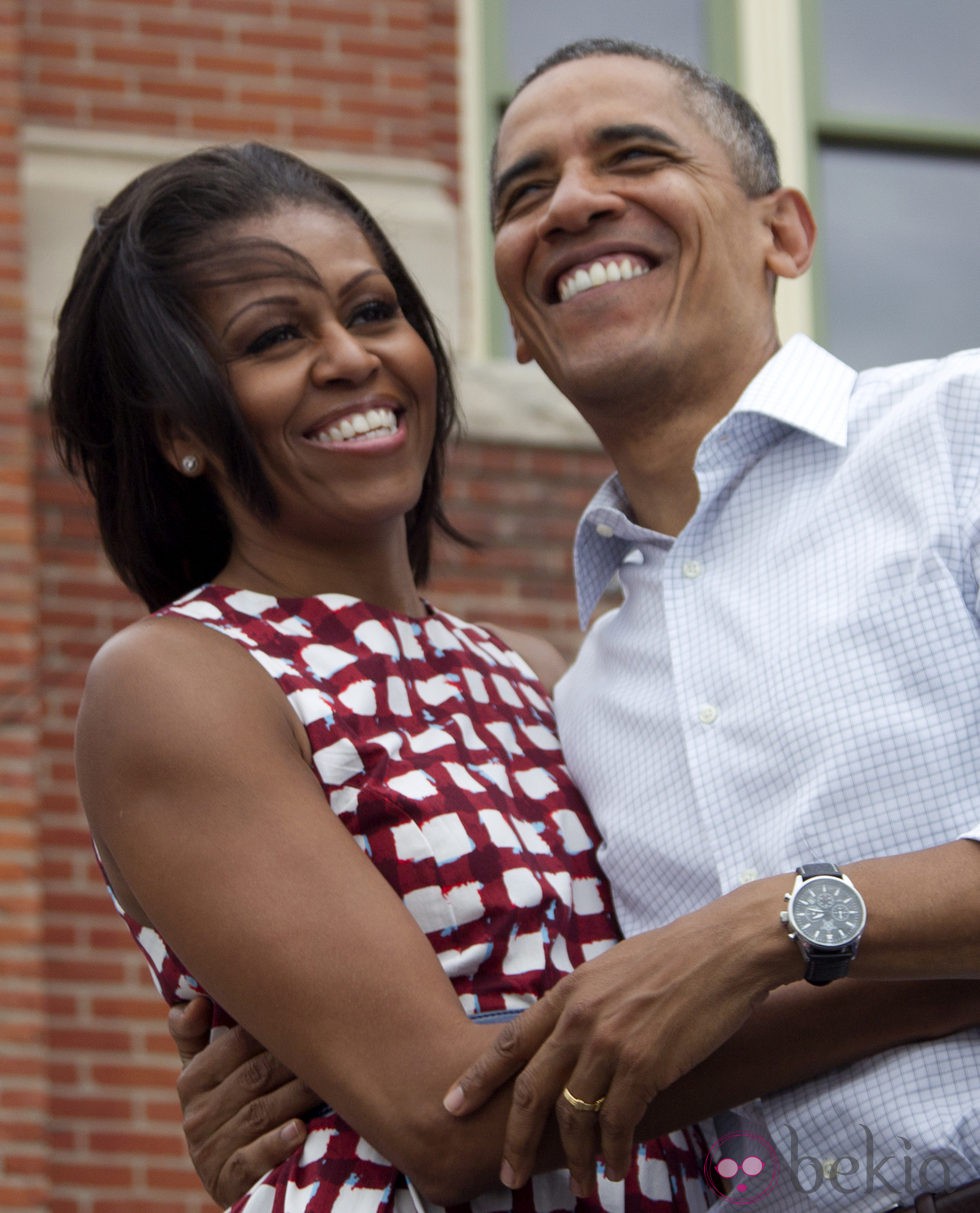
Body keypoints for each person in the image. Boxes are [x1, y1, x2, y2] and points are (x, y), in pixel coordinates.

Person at [167, 42, 980, 1213]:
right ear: (517, 315)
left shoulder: (956, 439)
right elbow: (551, 1044)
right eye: (520, 192)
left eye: (635, 155)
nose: (572, 204)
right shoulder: (562, 702)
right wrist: (318, 1107)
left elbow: (708, 974)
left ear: (783, 233)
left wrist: (778, 921)